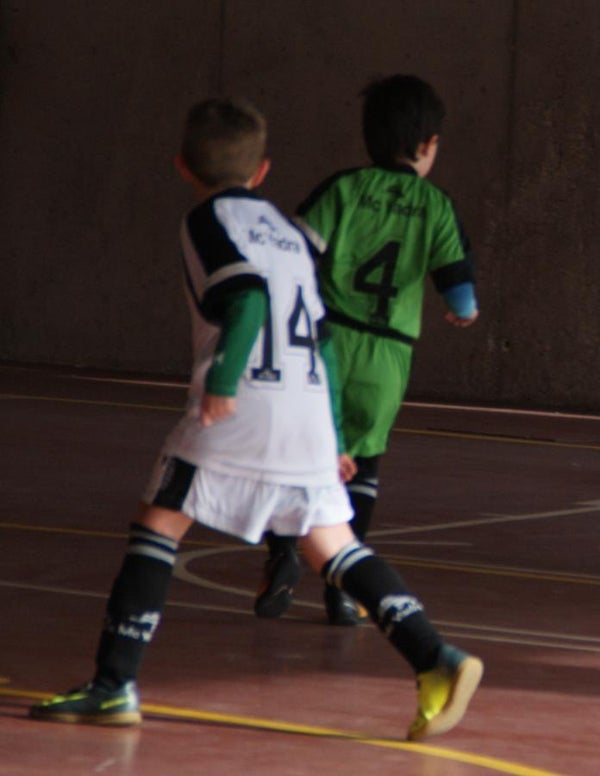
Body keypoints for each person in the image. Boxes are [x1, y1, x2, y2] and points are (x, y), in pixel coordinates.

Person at [28, 97, 481, 741]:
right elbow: (321, 338)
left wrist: (220, 382)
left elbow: (243, 298)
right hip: (306, 408)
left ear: (183, 165)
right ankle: (435, 657)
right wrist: (332, 437)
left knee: (158, 523)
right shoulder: (287, 230)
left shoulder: (207, 220)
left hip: (246, 401)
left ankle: (112, 685)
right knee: (334, 545)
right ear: (264, 170)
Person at [253, 74, 479, 626]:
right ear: (428, 145)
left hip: (325, 343)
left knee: (304, 454)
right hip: (387, 357)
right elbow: (460, 288)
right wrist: (464, 310)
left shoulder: (344, 189)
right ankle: (344, 588)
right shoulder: (435, 204)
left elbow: (296, 251)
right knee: (365, 466)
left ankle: (282, 558)